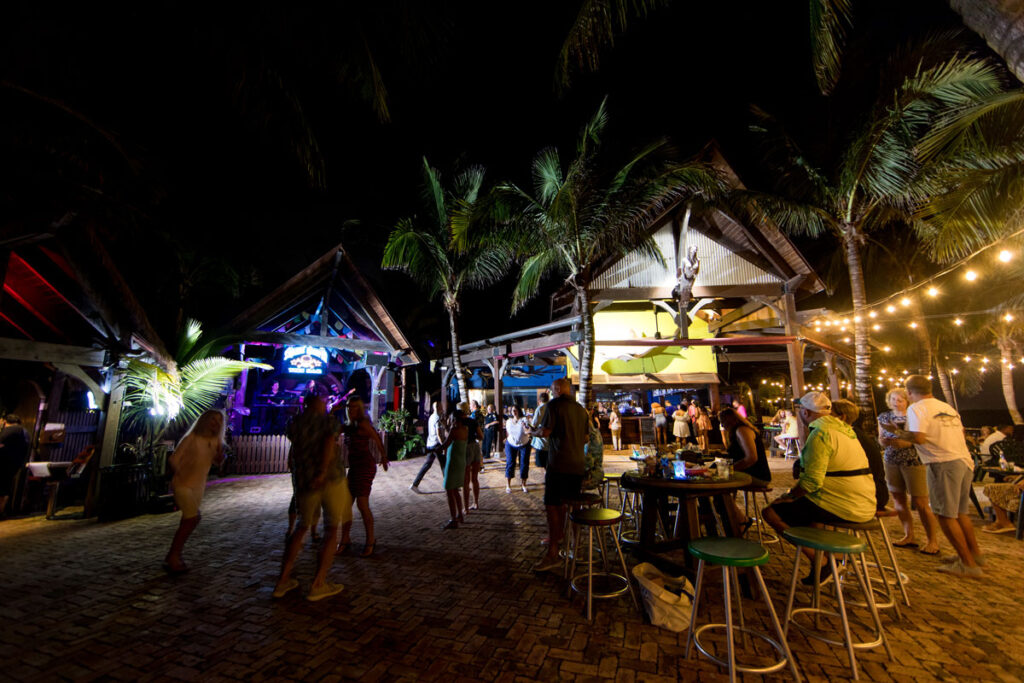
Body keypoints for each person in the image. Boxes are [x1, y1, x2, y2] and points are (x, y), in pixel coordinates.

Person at [762, 392, 876, 584]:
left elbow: (811, 483)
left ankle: (822, 562)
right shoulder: (846, 431)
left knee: (771, 512)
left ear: (805, 412)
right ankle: (834, 558)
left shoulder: (820, 434)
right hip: (864, 502)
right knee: (809, 513)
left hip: (842, 506)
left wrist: (789, 496)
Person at [897, 375, 983, 577]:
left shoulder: (917, 408)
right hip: (963, 460)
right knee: (961, 513)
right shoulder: (946, 407)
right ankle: (973, 555)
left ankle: (968, 564)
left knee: (945, 515)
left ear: (909, 392)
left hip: (942, 462)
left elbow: (918, 437)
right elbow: (961, 434)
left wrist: (897, 433)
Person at [274, 398, 351, 601]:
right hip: (330, 478)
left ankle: (282, 580)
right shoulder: (328, 421)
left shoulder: (295, 423)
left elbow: (296, 446)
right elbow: (328, 441)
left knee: (301, 526)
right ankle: (318, 583)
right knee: (331, 528)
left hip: (304, 481)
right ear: (319, 404)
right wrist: (322, 471)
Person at [533, 378, 590, 572]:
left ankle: (553, 552)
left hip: (559, 465)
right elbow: (585, 438)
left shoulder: (553, 406)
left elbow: (546, 432)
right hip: (577, 465)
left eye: (552, 390)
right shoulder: (581, 410)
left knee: (552, 506)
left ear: (557, 390)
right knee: (573, 505)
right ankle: (576, 546)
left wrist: (534, 432)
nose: (551, 393)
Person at [877, 388, 941, 554]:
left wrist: (908, 443)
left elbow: (922, 438)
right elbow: (880, 438)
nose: (896, 403)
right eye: (893, 400)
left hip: (914, 460)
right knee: (898, 499)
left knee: (920, 502)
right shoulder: (884, 417)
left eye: (900, 400)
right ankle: (909, 535)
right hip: (891, 459)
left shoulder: (914, 415)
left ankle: (932, 540)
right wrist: (884, 442)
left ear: (907, 401)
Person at [163, 411, 225, 573]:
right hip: (183, 485)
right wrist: (181, 472)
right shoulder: (191, 439)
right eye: (213, 420)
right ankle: (174, 556)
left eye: (219, 421)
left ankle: (173, 555)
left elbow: (216, 463)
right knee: (192, 519)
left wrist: (220, 459)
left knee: (187, 521)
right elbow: (174, 459)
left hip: (198, 485)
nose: (215, 424)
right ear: (205, 421)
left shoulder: (216, 441)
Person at [337, 397, 387, 557]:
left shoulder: (362, 424)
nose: (351, 410)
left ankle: (370, 540)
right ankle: (344, 540)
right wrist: (332, 411)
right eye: (348, 407)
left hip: (365, 466)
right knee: (346, 505)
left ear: (359, 409)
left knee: (362, 503)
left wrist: (384, 457)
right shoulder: (348, 426)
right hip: (354, 468)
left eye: (354, 407)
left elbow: (376, 437)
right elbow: (331, 431)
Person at [717, 407, 771, 532]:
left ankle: (741, 520)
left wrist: (729, 469)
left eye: (723, 421)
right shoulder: (737, 431)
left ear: (730, 419)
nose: (722, 425)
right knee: (718, 486)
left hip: (757, 475)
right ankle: (735, 519)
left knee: (718, 488)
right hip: (749, 472)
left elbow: (751, 458)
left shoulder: (742, 430)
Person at [832, 399, 889, 512]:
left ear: (842, 417)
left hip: (869, 495)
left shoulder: (851, 437)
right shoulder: (855, 434)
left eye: (829, 415)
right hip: (875, 491)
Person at [440, 406, 469, 528]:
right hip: (460, 461)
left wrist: (434, 449)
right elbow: (452, 437)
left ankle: (453, 518)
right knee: (455, 490)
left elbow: (445, 443)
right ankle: (460, 515)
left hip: (452, 462)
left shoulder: (453, 430)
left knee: (449, 490)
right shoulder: (465, 430)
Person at [410, 402, 446, 492]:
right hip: (436, 445)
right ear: (438, 408)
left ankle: (415, 484)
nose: (442, 408)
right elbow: (438, 433)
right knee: (444, 465)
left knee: (427, 465)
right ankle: (448, 485)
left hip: (430, 444)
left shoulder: (431, 417)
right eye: (441, 407)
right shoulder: (437, 418)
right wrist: (443, 445)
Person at [0, 414, 29, 517]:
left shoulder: (9, 431)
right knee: (4, 489)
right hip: (14, 465)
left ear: (4, 422)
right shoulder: (24, 432)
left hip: (3, 464)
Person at [462, 402, 484, 511]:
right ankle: (476, 503)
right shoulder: (472, 421)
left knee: (465, 480)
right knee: (474, 478)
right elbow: (481, 436)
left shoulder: (458, 422)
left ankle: (465, 507)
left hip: (465, 448)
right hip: (475, 448)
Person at [504, 406, 531, 493]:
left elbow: (527, 431)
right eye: (512, 410)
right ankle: (508, 485)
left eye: (516, 410)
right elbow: (508, 432)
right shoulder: (508, 421)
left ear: (519, 411)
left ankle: (523, 484)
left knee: (524, 463)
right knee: (510, 462)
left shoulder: (523, 420)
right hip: (511, 443)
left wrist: (524, 427)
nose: (514, 412)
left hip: (524, 444)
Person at [531, 393, 551, 470]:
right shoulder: (551, 408)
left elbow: (534, 424)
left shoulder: (540, 409)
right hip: (550, 440)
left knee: (543, 464)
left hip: (541, 440)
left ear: (539, 400)